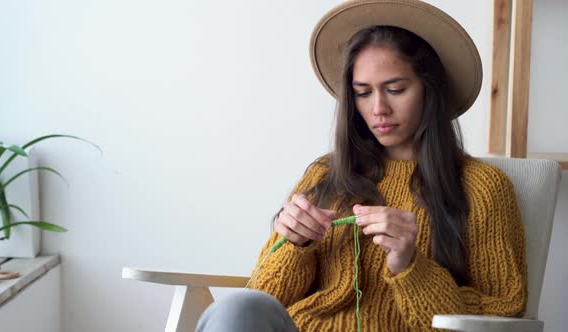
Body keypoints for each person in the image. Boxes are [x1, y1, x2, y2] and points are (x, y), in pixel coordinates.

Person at [197, 1, 527, 331]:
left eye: (395, 89)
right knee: (238, 307)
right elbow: (263, 298)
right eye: (363, 93)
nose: (378, 108)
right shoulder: (326, 175)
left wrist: (411, 266)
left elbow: (502, 312)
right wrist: (293, 244)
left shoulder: (481, 186)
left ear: (429, 89)